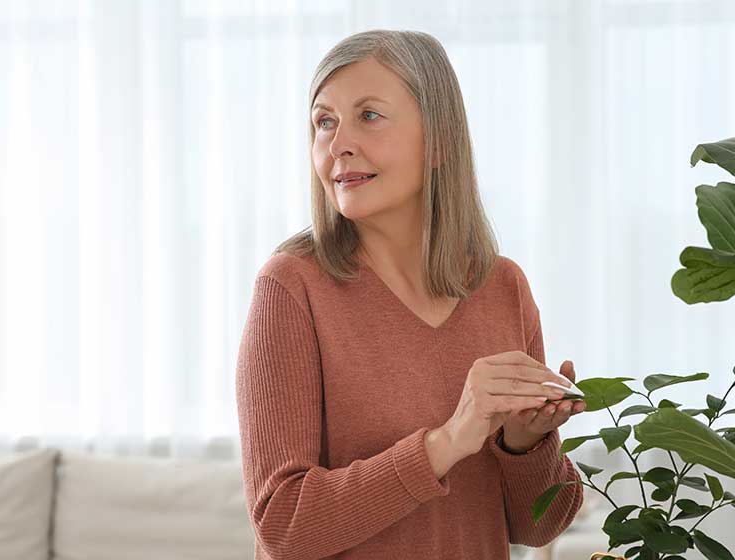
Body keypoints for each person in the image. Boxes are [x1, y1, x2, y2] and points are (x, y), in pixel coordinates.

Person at [235, 29, 585, 560]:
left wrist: (524, 442)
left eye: (368, 115)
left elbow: (537, 528)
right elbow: (283, 528)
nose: (338, 143)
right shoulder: (290, 288)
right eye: (324, 121)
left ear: (440, 141)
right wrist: (447, 443)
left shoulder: (502, 287)